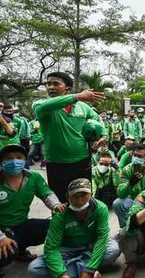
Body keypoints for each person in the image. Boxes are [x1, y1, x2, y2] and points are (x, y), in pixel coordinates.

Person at [28, 179, 120, 278]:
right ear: (68, 196)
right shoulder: (60, 215)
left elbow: (102, 238)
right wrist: (60, 274)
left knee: (113, 250)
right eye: (75, 196)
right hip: (68, 249)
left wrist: (89, 268)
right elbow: (51, 248)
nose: (80, 200)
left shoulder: (100, 208)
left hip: (91, 245)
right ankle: (86, 270)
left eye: (84, 195)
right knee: (35, 268)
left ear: (91, 195)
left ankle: (81, 269)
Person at [32, 72, 106, 203]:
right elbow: (45, 106)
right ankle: (60, 223)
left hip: (82, 161)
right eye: (48, 84)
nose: (50, 87)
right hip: (56, 163)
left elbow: (97, 118)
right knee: (60, 202)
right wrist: (78, 96)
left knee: (83, 199)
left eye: (56, 84)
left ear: (67, 89)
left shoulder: (83, 107)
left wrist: (103, 134)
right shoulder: (41, 105)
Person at [0, 145, 65, 277]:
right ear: (1, 162)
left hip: (22, 224)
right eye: (8, 158)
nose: (14, 161)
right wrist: (1, 237)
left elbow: (47, 194)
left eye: (19, 157)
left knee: (57, 227)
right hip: (2, 228)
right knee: (7, 251)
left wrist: (56, 205)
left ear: (25, 160)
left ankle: (21, 250)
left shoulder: (33, 177)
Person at [113, 144, 145, 228]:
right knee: (118, 203)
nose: (135, 158)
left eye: (139, 156)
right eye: (134, 155)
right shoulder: (127, 169)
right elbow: (120, 193)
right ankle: (126, 228)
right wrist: (130, 184)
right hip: (132, 199)